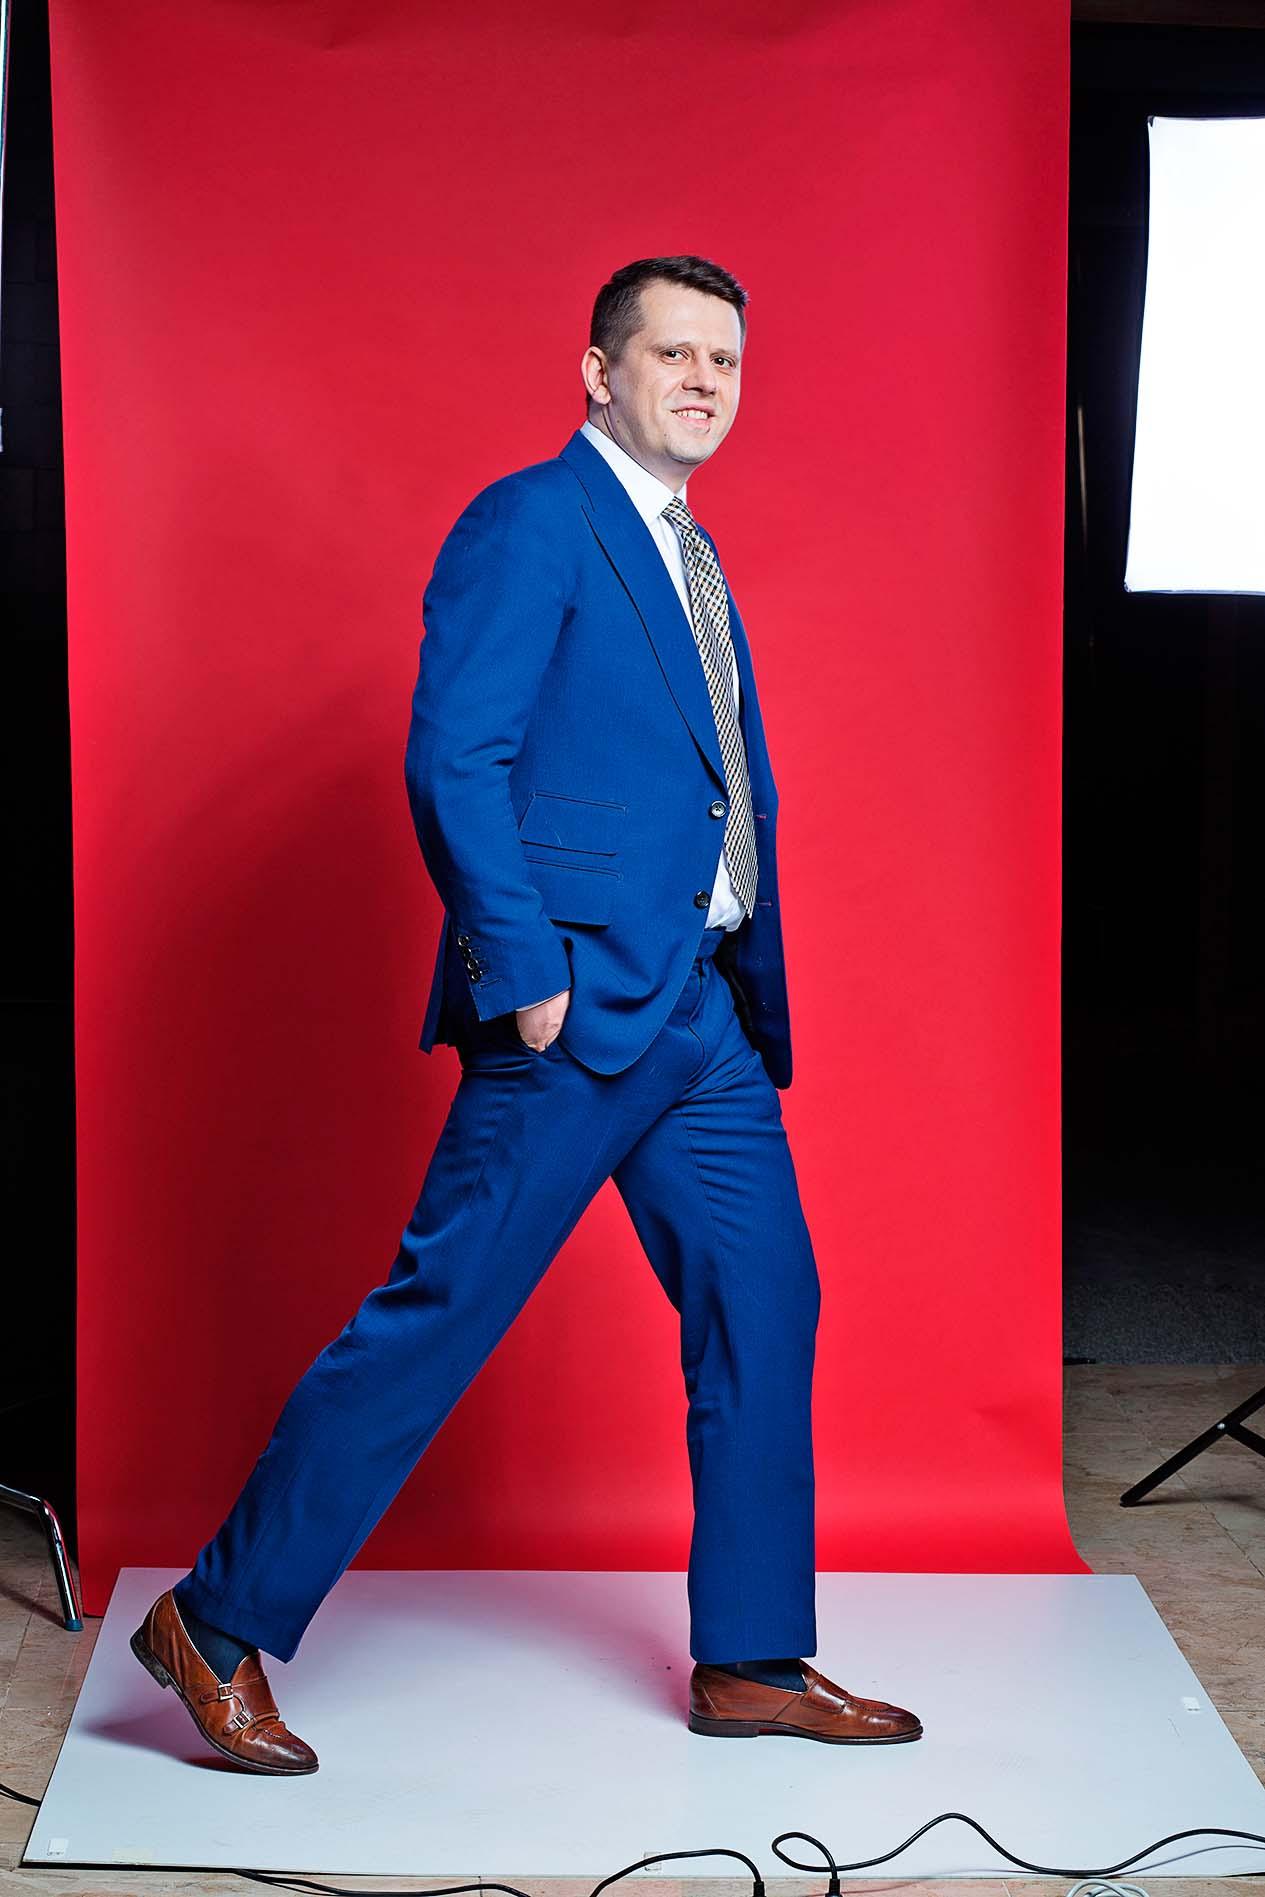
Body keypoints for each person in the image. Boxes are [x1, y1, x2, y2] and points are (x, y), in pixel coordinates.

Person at [131, 255, 924, 1773]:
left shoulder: (692, 551)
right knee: (439, 1316)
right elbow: (456, 756)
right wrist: (528, 976)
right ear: (598, 372)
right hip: (575, 1005)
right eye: (672, 354)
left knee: (766, 1298)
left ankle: (752, 1655)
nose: (703, 381)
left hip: (701, 1008)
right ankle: (213, 1624)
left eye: (724, 361)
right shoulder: (531, 520)